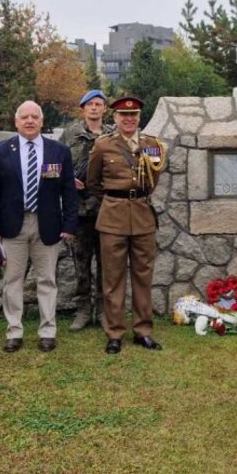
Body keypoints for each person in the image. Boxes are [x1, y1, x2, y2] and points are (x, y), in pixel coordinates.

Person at [0, 101, 78, 352]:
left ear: (42, 121)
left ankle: (48, 331)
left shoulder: (59, 151)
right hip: (12, 225)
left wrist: (69, 223)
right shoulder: (3, 150)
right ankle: (14, 331)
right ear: (16, 122)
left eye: (35, 116)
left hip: (47, 224)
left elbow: (69, 191)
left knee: (47, 280)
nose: (29, 121)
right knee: (12, 280)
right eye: (24, 117)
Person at [87, 95, 167, 354]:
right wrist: (114, 201)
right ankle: (115, 333)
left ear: (139, 118)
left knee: (143, 277)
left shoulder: (152, 145)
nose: (129, 119)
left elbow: (153, 178)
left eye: (133, 115)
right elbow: (93, 182)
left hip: (143, 217)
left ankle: (143, 331)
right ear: (116, 118)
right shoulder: (102, 146)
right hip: (112, 219)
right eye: (124, 115)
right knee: (113, 279)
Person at [62, 89, 114, 331]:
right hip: (80, 211)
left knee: (106, 264)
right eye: (90, 104)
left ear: (105, 109)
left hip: (108, 209)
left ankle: (103, 311)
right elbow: (55, 164)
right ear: (83, 109)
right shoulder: (70, 135)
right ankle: (83, 311)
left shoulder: (113, 135)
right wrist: (68, 180)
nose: (94, 108)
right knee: (81, 263)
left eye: (98, 104)